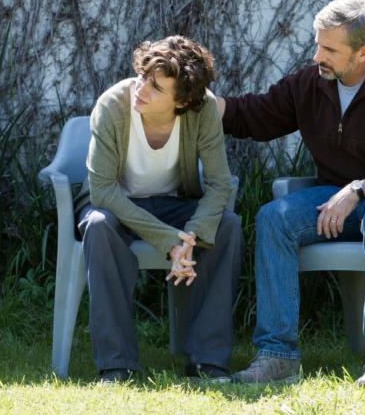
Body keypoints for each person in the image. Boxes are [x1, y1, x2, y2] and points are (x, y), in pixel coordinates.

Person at [221, 0, 365, 385]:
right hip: (335, 199)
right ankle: (278, 356)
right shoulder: (312, 84)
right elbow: (256, 116)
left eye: (328, 49)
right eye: (317, 43)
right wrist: (205, 104)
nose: (317, 56)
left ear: (363, 52)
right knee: (274, 218)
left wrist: (357, 190)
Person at [75, 35, 241, 384]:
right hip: (115, 205)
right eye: (142, 77)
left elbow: (220, 184)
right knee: (99, 226)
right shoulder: (112, 105)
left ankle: (206, 362)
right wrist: (169, 240)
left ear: (181, 101)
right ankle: (116, 367)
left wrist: (192, 234)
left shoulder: (204, 109)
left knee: (226, 225)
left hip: (174, 205)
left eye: (155, 87)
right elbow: (102, 190)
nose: (141, 89)